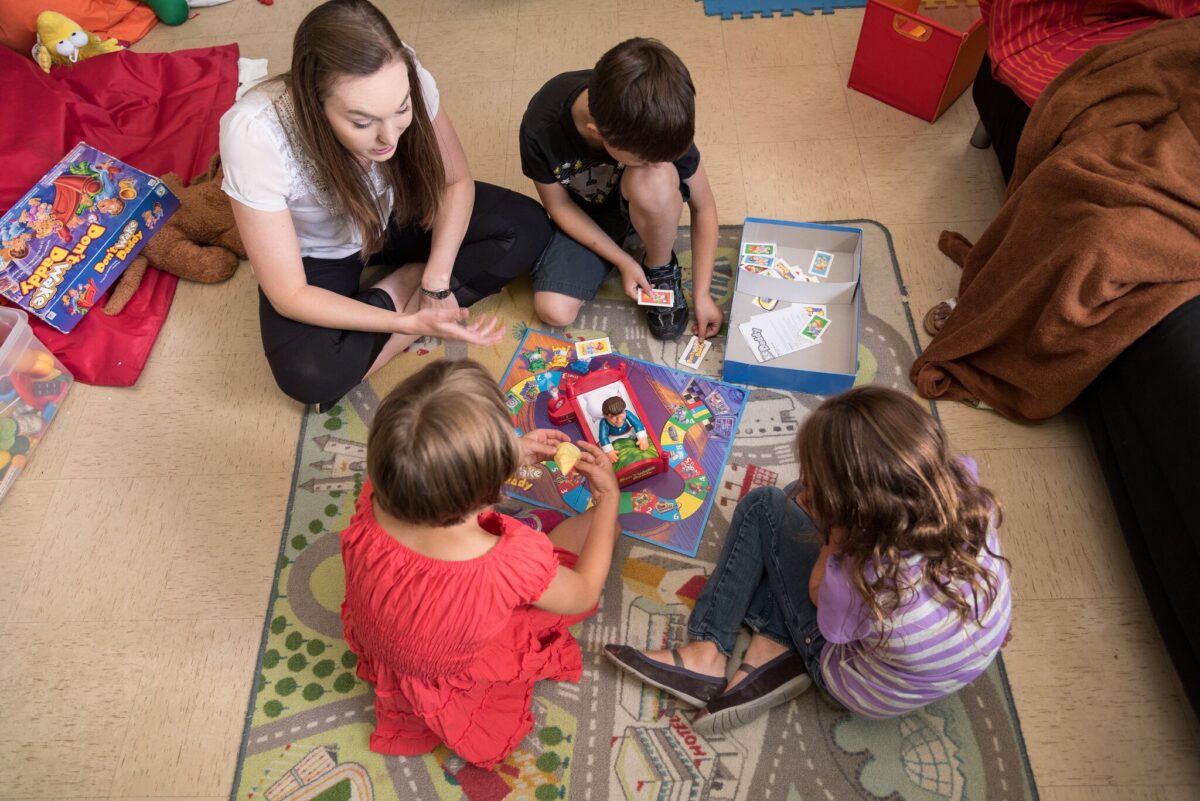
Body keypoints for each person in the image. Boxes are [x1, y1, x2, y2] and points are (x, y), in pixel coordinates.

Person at [605, 387, 1012, 734]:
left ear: (857, 517)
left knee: (764, 506)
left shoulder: (859, 578)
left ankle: (708, 651)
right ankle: (770, 654)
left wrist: (833, 544)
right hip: (956, 661)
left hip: (852, 680)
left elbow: (822, 606)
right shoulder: (966, 492)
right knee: (798, 492)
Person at [220, 0, 552, 408]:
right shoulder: (254, 132)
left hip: (398, 213)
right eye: (362, 122)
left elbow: (455, 181)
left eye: (401, 111)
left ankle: (415, 282)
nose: (388, 138)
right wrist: (407, 322)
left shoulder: (402, 71)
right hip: (321, 254)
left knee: (527, 226)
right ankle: (402, 286)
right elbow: (288, 292)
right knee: (310, 377)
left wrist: (437, 278)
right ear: (313, 102)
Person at [339, 359, 621, 767]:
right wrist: (609, 498)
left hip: (392, 635)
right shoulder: (508, 561)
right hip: (454, 663)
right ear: (491, 486)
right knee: (602, 530)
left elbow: (429, 470)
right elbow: (583, 594)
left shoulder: (376, 494)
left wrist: (510, 452)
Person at [518, 37, 722, 342]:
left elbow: (704, 208)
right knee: (553, 310)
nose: (659, 162)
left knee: (655, 180)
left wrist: (703, 294)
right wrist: (622, 260)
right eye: (646, 159)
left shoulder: (658, 120)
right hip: (587, 215)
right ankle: (630, 247)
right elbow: (559, 207)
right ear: (597, 134)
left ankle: (660, 263)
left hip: (646, 200)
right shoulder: (541, 127)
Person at [598, 395, 648, 463]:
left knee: (643, 430)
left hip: (628, 432)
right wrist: (609, 451)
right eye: (613, 417)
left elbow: (637, 424)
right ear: (605, 415)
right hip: (613, 438)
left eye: (621, 413)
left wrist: (642, 438)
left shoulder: (627, 413)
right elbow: (603, 437)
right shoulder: (604, 422)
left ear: (624, 410)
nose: (619, 421)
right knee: (602, 447)